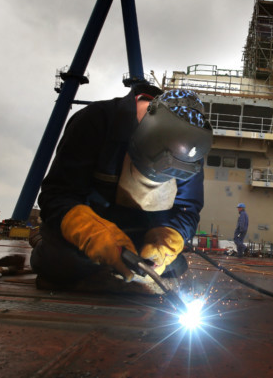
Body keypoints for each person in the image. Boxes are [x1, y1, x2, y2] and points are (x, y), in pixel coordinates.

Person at [30, 84, 213, 291]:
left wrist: (165, 242)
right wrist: (92, 233)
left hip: (141, 236)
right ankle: (42, 242)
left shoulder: (189, 154)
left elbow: (188, 209)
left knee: (174, 266)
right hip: (92, 229)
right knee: (62, 263)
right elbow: (56, 194)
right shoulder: (95, 121)